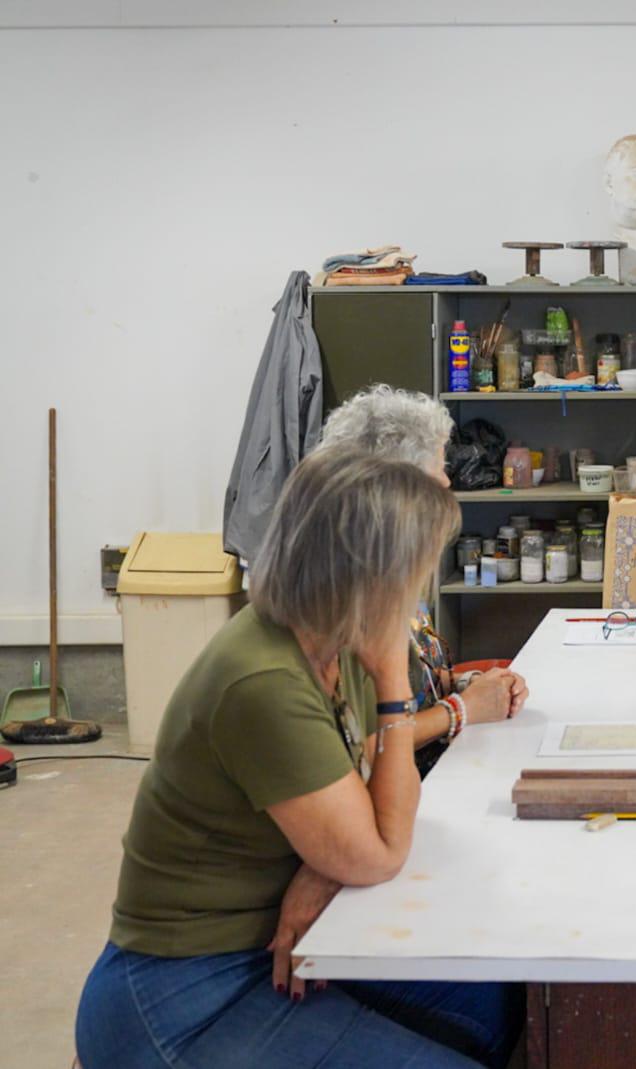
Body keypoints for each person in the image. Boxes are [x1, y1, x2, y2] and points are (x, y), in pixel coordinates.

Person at [76, 450, 522, 1067]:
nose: (418, 593)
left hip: (276, 949)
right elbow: (378, 852)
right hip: (183, 990)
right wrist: (394, 684)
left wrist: (324, 867)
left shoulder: (334, 643)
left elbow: (373, 791)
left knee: (503, 1003)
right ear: (369, 574)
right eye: (414, 572)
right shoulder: (266, 680)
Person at [316, 385, 528, 774]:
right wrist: (461, 710)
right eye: (438, 469)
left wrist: (470, 684)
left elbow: (413, 681)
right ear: (395, 487)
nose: (446, 483)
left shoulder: (391, 568)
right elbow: (357, 745)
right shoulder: (342, 595)